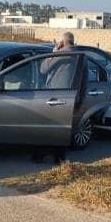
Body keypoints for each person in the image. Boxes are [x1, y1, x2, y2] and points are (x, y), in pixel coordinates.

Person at [32, 32, 76, 164]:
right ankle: (60, 157)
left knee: (45, 125)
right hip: (69, 96)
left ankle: (40, 155)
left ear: (62, 42)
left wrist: (53, 52)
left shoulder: (61, 54)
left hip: (54, 94)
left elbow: (43, 69)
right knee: (62, 127)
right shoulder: (79, 55)